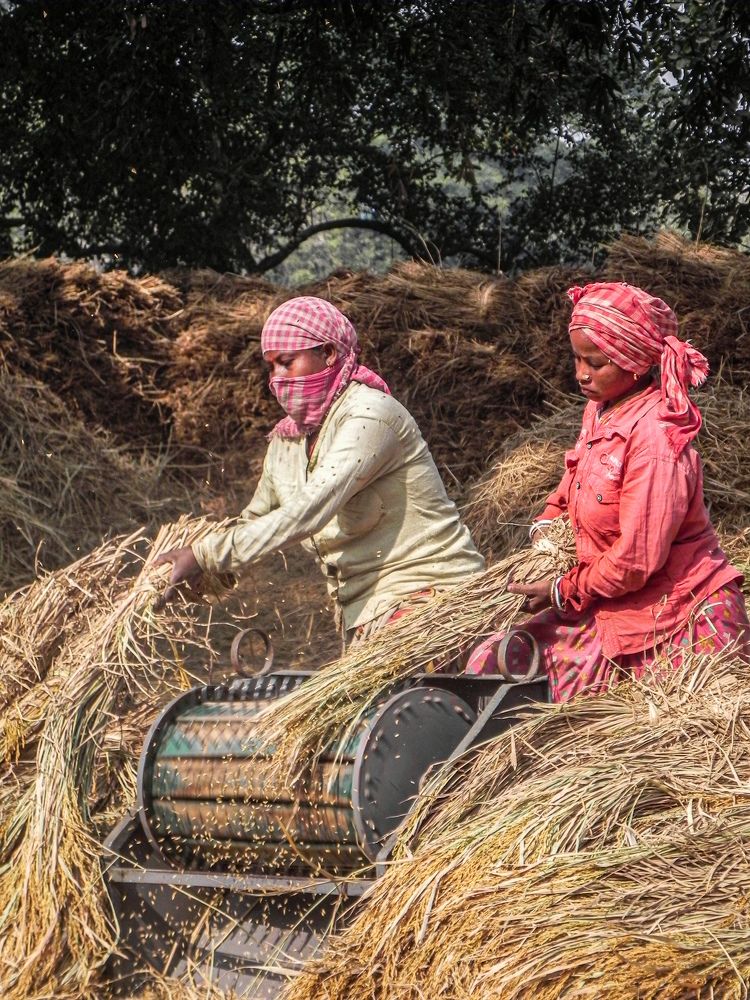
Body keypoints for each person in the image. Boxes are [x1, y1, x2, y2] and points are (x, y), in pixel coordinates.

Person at [467, 281, 749, 700]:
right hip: (613, 602)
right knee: (492, 660)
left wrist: (564, 591)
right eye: (576, 358)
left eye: (595, 363)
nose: (581, 373)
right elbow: (573, 480)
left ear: (633, 361)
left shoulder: (656, 440)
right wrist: (547, 527)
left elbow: (637, 558)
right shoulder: (599, 411)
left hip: (677, 619)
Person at [155, 295, 485, 644]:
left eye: (287, 362)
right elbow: (255, 522)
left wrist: (206, 555)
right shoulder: (286, 443)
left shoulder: (371, 416)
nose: (276, 380)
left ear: (328, 354)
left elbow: (306, 513)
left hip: (430, 603)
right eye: (271, 367)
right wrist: (205, 575)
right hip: (363, 617)